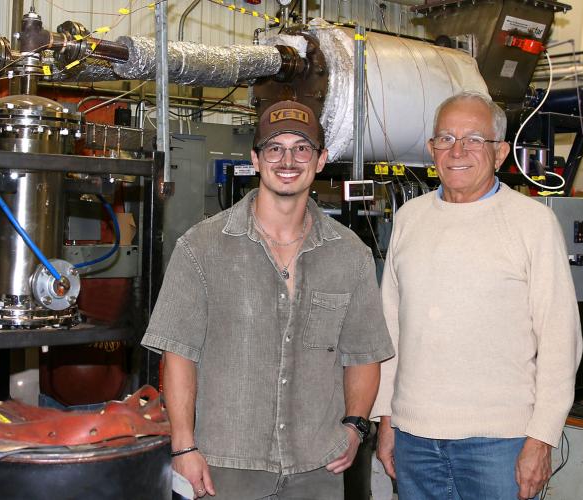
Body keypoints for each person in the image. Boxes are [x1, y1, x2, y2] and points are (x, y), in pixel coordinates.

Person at [142, 100, 394, 499]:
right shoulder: (201, 247)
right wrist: (184, 446)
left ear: (321, 159)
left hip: (317, 466)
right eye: (275, 148)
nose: (288, 160)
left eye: (302, 148)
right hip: (226, 464)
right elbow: (179, 354)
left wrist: (355, 427)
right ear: (256, 160)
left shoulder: (350, 254)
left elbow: (363, 353)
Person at [372, 91, 583, 500]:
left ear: (500, 152)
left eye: (474, 139)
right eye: (446, 138)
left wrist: (541, 439)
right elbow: (390, 329)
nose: (457, 151)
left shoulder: (532, 223)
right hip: (414, 439)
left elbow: (561, 339)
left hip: (500, 444)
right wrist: (386, 419)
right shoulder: (409, 219)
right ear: (432, 148)